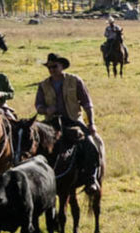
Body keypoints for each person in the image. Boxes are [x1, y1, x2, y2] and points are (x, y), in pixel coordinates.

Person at [34, 53, 100, 193]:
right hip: (51, 123)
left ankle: (91, 179)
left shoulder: (75, 81)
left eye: (54, 66)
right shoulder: (43, 85)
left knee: (90, 146)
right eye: (49, 67)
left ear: (62, 66)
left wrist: (91, 123)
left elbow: (87, 104)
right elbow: (38, 106)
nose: (51, 69)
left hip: (73, 121)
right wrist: (46, 109)